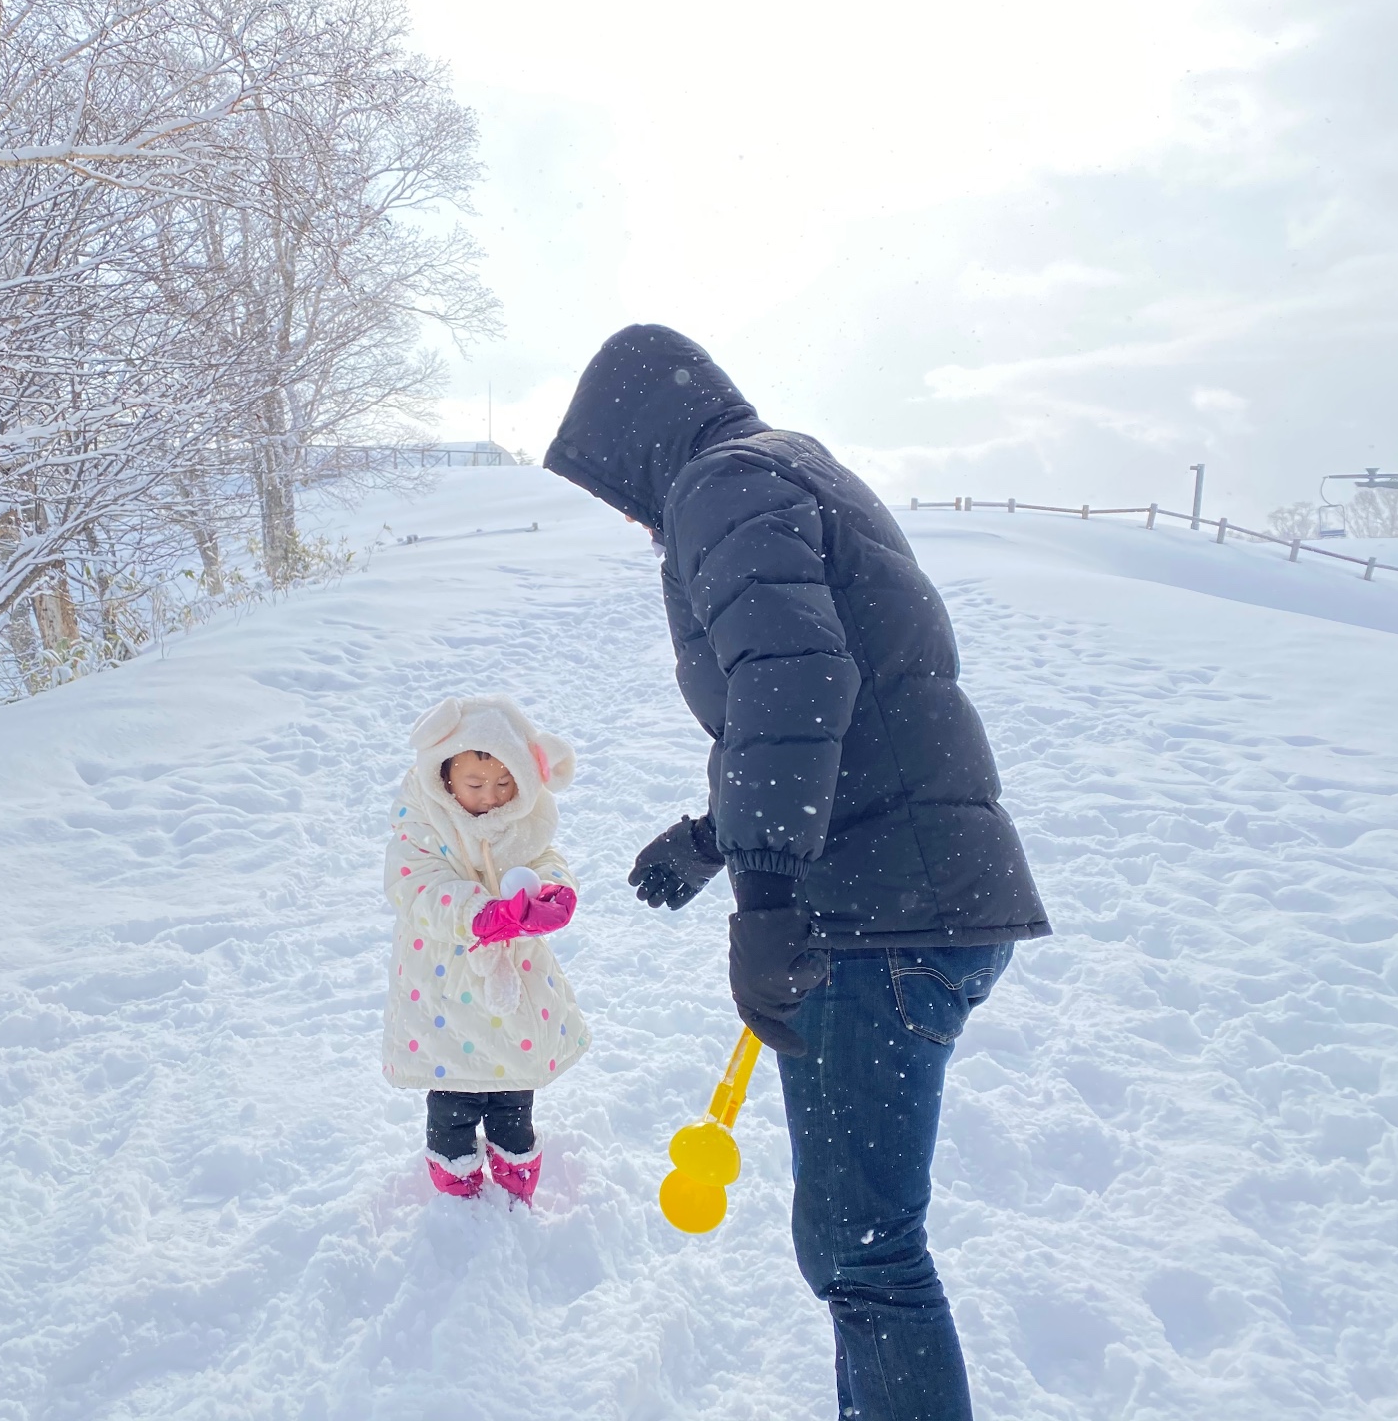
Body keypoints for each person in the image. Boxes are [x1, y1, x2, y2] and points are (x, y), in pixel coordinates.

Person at [544, 325, 1050, 1418]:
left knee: (863, 1258)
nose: (630, 518)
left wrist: (763, 894)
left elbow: (796, 678)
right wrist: (708, 840)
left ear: (635, 441)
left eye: (614, 488)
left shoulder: (720, 484)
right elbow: (845, 702)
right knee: (859, 1251)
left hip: (880, 925)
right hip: (924, 896)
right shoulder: (788, 465)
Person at [380, 695, 589, 1206]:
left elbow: (543, 856)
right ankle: (457, 1188)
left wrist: (553, 888)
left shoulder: (524, 818)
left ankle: (517, 1178)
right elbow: (416, 887)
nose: (491, 797)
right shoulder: (421, 820)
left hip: (513, 984)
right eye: (475, 784)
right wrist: (482, 914)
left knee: (514, 1092)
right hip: (444, 984)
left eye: (505, 784)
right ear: (445, 775)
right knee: (452, 1095)